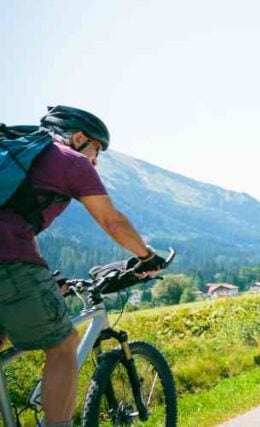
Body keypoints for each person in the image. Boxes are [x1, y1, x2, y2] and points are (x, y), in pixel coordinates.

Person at [0, 106, 166, 427]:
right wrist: (147, 257)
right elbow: (112, 221)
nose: (96, 159)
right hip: (11, 261)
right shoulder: (69, 159)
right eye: (97, 149)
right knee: (63, 346)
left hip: (11, 264)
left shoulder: (22, 160)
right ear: (78, 138)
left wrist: (46, 279)